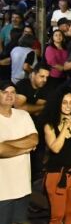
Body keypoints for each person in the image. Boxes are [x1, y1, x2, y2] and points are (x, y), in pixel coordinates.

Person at [42, 86, 71, 224]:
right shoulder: (49, 125)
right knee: (57, 215)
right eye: (64, 102)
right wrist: (64, 128)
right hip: (57, 175)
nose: (68, 106)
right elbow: (56, 148)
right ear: (58, 103)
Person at [0, 80, 38, 224]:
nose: (10, 95)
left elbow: (34, 140)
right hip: (2, 191)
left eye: (13, 92)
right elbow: (0, 150)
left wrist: (6, 145)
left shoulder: (23, 115)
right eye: (5, 92)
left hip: (22, 187)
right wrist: (24, 149)